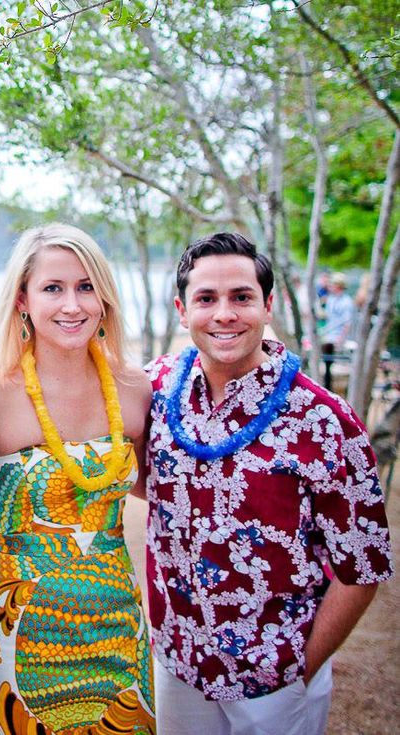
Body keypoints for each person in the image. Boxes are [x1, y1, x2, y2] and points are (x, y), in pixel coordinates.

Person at [145, 232, 393, 735]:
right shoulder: (156, 388)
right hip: (178, 664)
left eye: (241, 297)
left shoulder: (323, 420)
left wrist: (301, 670)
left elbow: (362, 566)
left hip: (275, 679)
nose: (224, 314)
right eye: (206, 299)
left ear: (268, 305)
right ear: (182, 310)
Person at [0, 223, 156, 734]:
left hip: (116, 619)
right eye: (53, 288)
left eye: (85, 287)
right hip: (20, 624)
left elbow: (159, 486)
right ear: (22, 300)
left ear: (104, 297)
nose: (72, 305)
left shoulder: (135, 387)